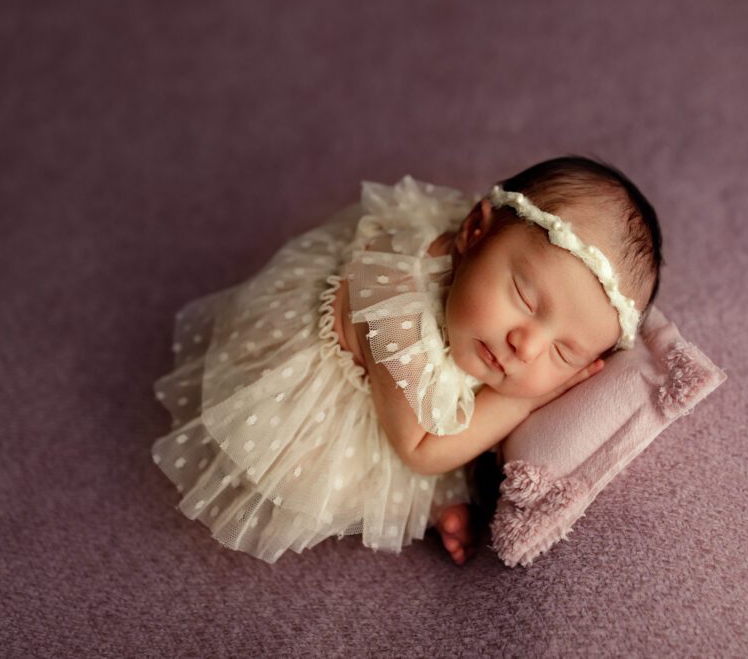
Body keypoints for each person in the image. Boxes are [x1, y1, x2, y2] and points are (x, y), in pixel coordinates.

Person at [151, 156, 663, 565]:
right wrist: (526, 398)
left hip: (419, 387)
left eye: (563, 351)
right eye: (526, 300)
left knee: (460, 404)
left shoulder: (491, 302)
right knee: (395, 456)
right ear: (474, 232)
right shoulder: (393, 302)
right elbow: (420, 448)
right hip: (337, 395)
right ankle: (427, 500)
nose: (524, 346)